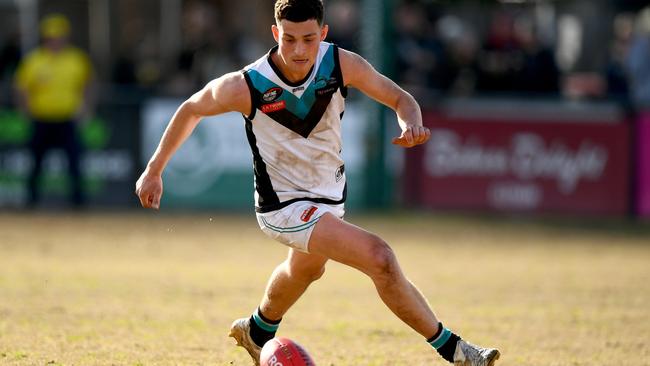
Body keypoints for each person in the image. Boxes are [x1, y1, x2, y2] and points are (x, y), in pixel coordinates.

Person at [135, 1, 500, 365]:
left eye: (309, 39)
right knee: (380, 257)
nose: (298, 50)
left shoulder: (340, 64)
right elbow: (191, 108)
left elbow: (400, 99)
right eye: (289, 39)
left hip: (329, 197)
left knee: (306, 269)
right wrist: (154, 169)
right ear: (275, 34)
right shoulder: (249, 84)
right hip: (282, 207)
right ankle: (456, 351)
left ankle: (257, 331)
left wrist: (411, 122)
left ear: (322, 34)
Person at [14, 14, 94, 208]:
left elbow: (88, 85)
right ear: (45, 38)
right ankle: (31, 202)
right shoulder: (34, 60)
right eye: (51, 37)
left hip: (67, 120)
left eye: (59, 37)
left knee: (74, 162)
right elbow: (21, 87)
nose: (55, 41)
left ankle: (78, 203)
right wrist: (25, 110)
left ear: (66, 37)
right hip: (41, 119)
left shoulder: (76, 59)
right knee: (35, 163)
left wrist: (87, 108)